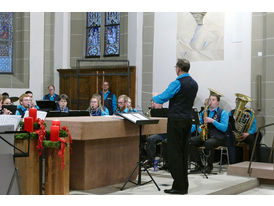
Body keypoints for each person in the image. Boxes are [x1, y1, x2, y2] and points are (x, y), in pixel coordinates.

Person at [153, 59, 198, 195]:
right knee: (183, 153)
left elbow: (163, 98)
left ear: (178, 69)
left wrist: (155, 97)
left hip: (176, 121)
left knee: (174, 153)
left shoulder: (177, 82)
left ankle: (178, 186)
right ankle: (183, 185)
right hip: (187, 120)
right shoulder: (194, 84)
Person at [190, 93, 229, 174]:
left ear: (218, 102)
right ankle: (199, 165)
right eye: (210, 99)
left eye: (213, 100)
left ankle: (209, 166)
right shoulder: (204, 112)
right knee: (190, 141)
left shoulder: (223, 113)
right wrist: (201, 130)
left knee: (208, 143)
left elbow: (224, 128)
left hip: (219, 137)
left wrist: (213, 121)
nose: (211, 101)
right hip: (206, 135)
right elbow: (200, 124)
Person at [228, 97, 261, 163]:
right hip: (234, 134)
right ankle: (233, 161)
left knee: (251, 138)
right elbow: (228, 124)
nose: (238, 103)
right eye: (237, 102)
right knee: (229, 139)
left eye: (240, 102)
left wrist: (248, 133)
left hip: (245, 134)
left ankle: (254, 160)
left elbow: (254, 126)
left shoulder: (249, 112)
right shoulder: (231, 112)